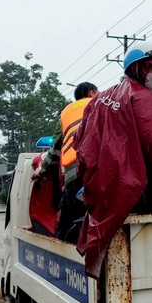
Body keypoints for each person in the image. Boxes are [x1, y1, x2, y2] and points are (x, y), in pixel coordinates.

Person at [74, 41, 152, 279]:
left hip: (107, 196)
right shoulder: (143, 97)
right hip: (139, 195)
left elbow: (81, 144)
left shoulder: (101, 98)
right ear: (138, 68)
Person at [35, 82, 98, 242]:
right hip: (104, 173)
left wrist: (41, 171)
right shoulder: (103, 103)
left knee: (66, 228)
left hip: (75, 179)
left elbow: (55, 150)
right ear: (91, 93)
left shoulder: (65, 115)